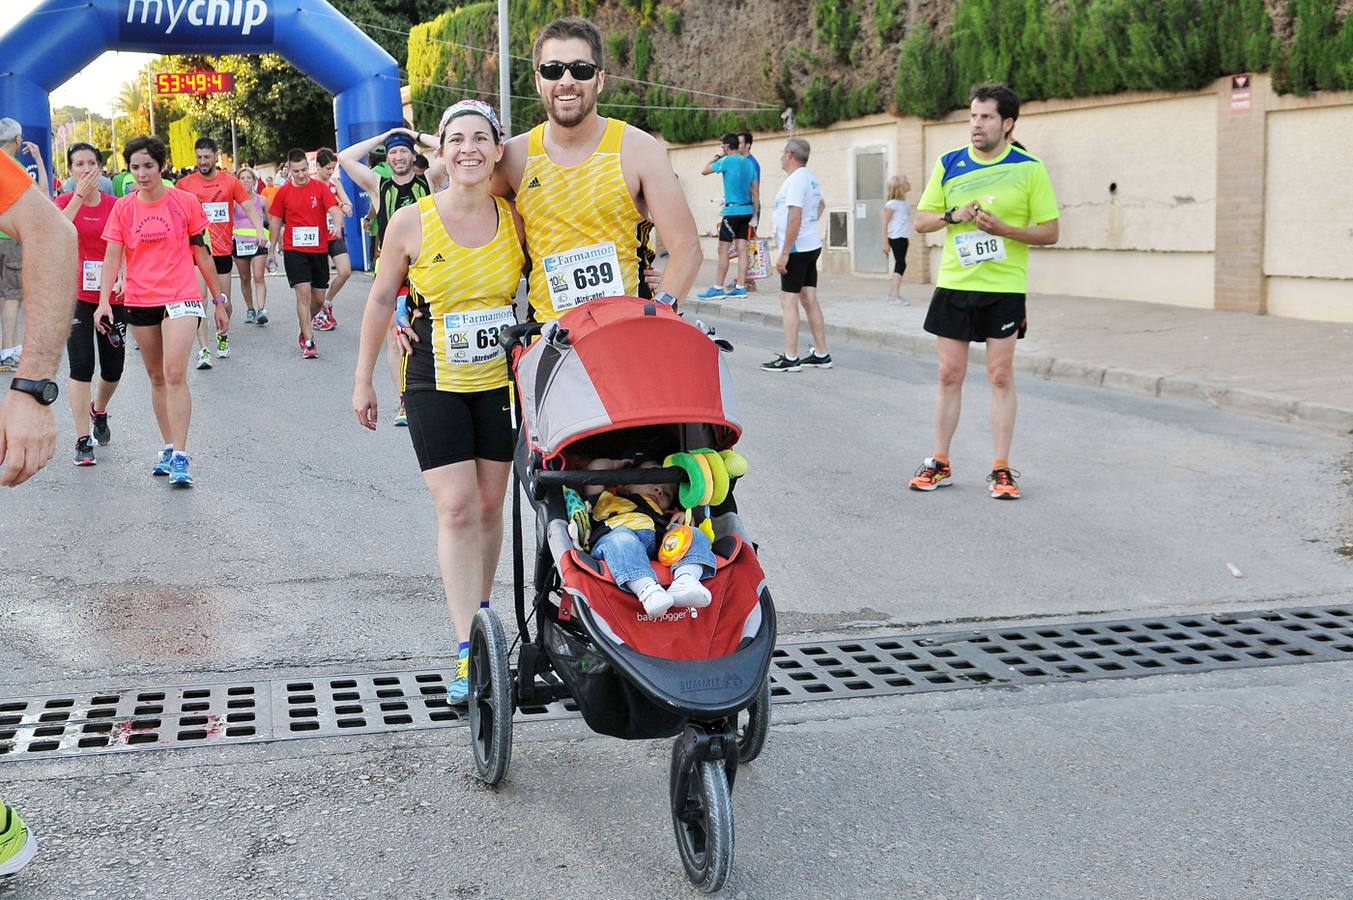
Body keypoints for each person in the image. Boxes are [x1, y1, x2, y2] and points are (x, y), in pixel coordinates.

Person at [352, 100, 525, 704]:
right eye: (457, 139)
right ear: (440, 153)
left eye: (482, 138)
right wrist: (363, 378)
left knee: (489, 504)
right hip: (432, 376)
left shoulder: (517, 217)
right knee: (455, 506)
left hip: (500, 380)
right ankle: (466, 648)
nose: (469, 148)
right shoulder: (412, 221)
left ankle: (481, 613)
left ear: (498, 150)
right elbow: (378, 300)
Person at [491, 16, 702, 322]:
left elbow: (687, 247)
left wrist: (660, 313)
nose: (566, 81)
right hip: (550, 341)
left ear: (600, 79)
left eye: (581, 69)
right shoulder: (514, 156)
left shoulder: (639, 150)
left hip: (625, 337)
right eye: (552, 70)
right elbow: (472, 227)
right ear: (538, 81)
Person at [908, 83, 1060, 500]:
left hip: (1003, 287)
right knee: (947, 374)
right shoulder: (949, 163)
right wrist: (950, 215)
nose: (976, 124)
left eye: (986, 117)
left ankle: (1001, 468)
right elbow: (920, 221)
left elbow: (1050, 231)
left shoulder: (1029, 168)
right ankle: (940, 461)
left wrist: (1006, 230)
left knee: (1000, 376)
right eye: (973, 116)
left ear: (1007, 123)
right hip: (956, 283)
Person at [96, 135, 229, 487]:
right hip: (140, 299)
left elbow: (202, 253)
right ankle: (169, 447)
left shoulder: (184, 202)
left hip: (181, 296)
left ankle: (182, 456)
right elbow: (112, 255)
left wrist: (218, 300)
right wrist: (104, 301)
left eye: (148, 167)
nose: (141, 174)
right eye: (135, 167)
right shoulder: (123, 208)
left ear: (162, 166)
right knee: (156, 377)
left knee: (174, 374)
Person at [340, 128, 440, 422]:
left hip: (429, 270)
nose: (398, 156)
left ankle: (437, 393)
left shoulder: (429, 180)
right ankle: (405, 402)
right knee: (395, 339)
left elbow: (449, 146)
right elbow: (345, 157)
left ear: (412, 155)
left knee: (430, 335)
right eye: (393, 151)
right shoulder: (378, 185)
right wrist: (385, 137)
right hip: (392, 274)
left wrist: (416, 134)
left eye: (403, 150)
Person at [54, 143, 121, 466]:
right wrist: (79, 197)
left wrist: (122, 277)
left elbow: (127, 247)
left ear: (100, 168)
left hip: (112, 296)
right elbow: (57, 233)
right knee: (81, 367)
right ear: (70, 171)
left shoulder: (115, 205)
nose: (85, 169)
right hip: (75, 296)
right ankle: (82, 439)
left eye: (91, 163)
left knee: (113, 368)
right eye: (78, 164)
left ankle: (100, 409)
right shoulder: (64, 202)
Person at [583, 456, 715, 617]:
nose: (660, 490)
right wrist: (613, 466)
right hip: (615, 544)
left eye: (667, 494)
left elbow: (679, 540)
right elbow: (594, 470)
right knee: (623, 539)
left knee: (693, 533)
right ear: (625, 483)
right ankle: (648, 591)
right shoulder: (607, 498)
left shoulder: (666, 515)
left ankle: (686, 580)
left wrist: (683, 524)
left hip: (658, 549)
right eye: (652, 479)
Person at [177, 137, 264, 369]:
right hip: (197, 250)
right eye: (199, 157)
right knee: (200, 301)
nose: (203, 161)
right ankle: (204, 349)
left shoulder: (230, 182)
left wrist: (259, 231)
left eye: (207, 157)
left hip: (223, 251)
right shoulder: (184, 184)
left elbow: (248, 207)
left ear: (215, 157)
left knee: (224, 303)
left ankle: (222, 339)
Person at [761, 137, 831, 373]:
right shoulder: (809, 178)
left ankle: (791, 357)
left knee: (788, 301)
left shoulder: (796, 180)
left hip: (797, 249)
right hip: (809, 244)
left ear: (790, 154)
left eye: (782, 152)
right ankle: (822, 353)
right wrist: (810, 227)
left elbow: (795, 216)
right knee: (809, 299)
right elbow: (821, 204)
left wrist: (784, 253)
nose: (780, 156)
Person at [268, 148, 342, 359]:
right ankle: (308, 341)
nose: (300, 175)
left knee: (318, 300)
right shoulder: (283, 192)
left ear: (308, 168)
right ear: (289, 169)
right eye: (296, 171)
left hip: (318, 250)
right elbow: (274, 222)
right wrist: (272, 249)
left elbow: (335, 210)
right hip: (294, 250)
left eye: (303, 170)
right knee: (303, 294)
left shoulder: (320, 187)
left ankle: (304, 324)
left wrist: (337, 226)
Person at [0, 118, 50, 372]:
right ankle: (8, 351)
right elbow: (43, 196)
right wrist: (40, 161)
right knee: (11, 297)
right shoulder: (15, 168)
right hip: (9, 239)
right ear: (18, 140)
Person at [697, 133, 755, 300]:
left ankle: (718, 287)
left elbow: (705, 170)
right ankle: (741, 286)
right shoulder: (748, 163)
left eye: (722, 146)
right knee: (742, 248)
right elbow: (754, 189)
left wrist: (717, 156)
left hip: (732, 212)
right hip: (747, 210)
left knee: (723, 249)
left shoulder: (727, 160)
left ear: (726, 147)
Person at [311, 147, 354, 332]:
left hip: (334, 234)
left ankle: (327, 304)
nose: (330, 172)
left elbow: (347, 203)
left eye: (333, 168)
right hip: (317, 237)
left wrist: (345, 206)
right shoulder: (310, 183)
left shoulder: (334, 182)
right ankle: (315, 314)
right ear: (318, 166)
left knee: (345, 271)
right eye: (327, 168)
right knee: (319, 280)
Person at [232, 167, 270, 325]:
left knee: (259, 277)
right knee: (245, 278)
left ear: (254, 181)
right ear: (237, 182)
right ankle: (250, 308)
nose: (246, 180)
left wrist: (273, 243)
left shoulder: (262, 200)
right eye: (242, 178)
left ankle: (261, 309)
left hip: (258, 242)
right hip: (239, 243)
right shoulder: (233, 202)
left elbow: (271, 222)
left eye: (249, 178)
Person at [738, 130, 762, 292]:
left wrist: (754, 215)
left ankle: (750, 280)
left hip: (750, 208)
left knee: (748, 244)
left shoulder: (752, 164)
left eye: (739, 142)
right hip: (742, 208)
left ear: (747, 145)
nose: (737, 145)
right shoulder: (740, 161)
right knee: (743, 245)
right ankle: (745, 276)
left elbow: (755, 191)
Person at [883, 175, 912, 305]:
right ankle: (894, 296)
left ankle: (893, 294)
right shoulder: (892, 204)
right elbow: (884, 223)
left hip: (903, 237)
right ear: (900, 187)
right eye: (906, 182)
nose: (909, 184)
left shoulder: (904, 203)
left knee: (900, 264)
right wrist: (885, 242)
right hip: (896, 237)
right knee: (901, 264)